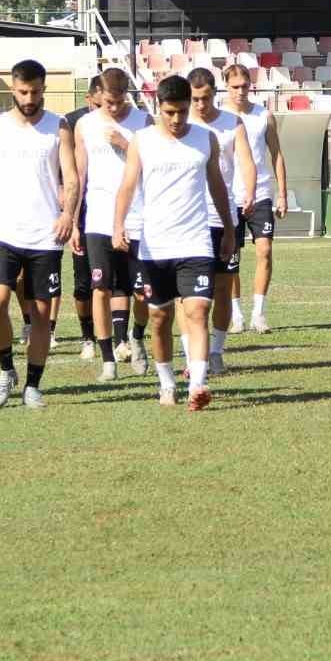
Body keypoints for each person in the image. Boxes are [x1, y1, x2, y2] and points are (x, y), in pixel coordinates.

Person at [114, 74, 236, 410]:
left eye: (182, 111)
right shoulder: (142, 141)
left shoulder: (206, 139)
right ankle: (167, 383)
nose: (177, 119)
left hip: (195, 242)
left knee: (197, 311)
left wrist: (228, 230)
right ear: (159, 108)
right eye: (170, 112)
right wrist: (117, 225)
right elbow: (127, 185)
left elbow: (217, 186)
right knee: (159, 318)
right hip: (155, 245)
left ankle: (197, 384)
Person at [0, 59, 78, 409]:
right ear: (13, 89)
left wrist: (68, 214)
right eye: (23, 92)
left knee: (41, 314)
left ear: (44, 88)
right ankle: (6, 371)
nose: (29, 98)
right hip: (4, 232)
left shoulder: (59, 126)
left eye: (35, 92)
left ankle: (33, 384)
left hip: (45, 235)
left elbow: (71, 178)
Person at [73, 68, 151, 381]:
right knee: (100, 288)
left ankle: (137, 336)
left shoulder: (144, 122)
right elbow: (79, 176)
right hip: (98, 219)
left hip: (138, 217)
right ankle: (108, 359)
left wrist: (126, 144)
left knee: (143, 292)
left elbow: (154, 166)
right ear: (98, 96)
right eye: (108, 102)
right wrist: (74, 220)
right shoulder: (85, 125)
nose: (114, 108)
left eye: (119, 102)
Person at [189, 66, 256, 375]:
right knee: (190, 294)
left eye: (205, 98)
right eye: (195, 99)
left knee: (222, 288)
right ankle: (193, 355)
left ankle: (216, 351)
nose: (200, 105)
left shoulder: (232, 123)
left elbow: (246, 161)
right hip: (189, 220)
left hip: (224, 216)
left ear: (214, 94)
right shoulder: (181, 123)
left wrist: (250, 192)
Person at [222, 63, 287, 333]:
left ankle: (258, 313)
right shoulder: (219, 117)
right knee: (231, 258)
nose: (240, 91)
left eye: (245, 86)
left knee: (265, 250)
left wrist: (282, 193)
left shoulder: (264, 116)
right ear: (226, 86)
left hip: (260, 193)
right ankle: (236, 315)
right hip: (229, 196)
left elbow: (276, 154)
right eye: (235, 86)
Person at [64, 76, 103, 360]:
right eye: (98, 105)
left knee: (113, 280)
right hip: (82, 209)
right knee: (82, 281)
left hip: (113, 210)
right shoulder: (73, 123)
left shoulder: (123, 122)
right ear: (89, 99)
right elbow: (68, 170)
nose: (104, 110)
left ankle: (119, 336)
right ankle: (87, 336)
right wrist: (72, 217)